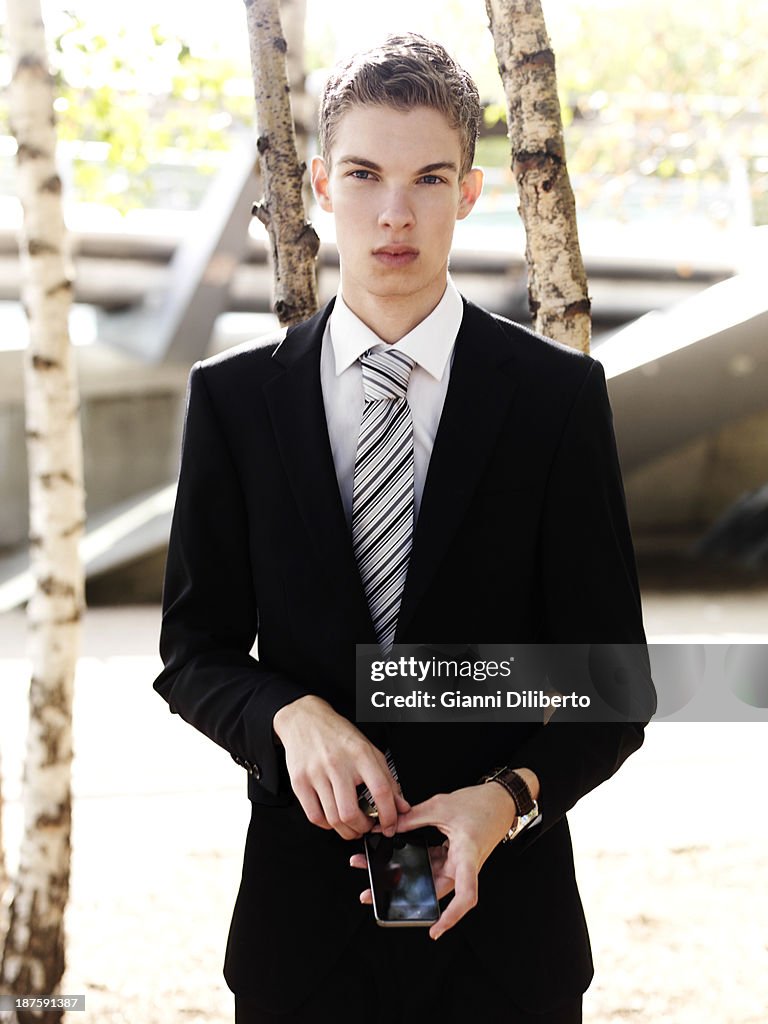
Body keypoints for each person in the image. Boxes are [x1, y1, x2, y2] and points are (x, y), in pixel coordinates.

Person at [154, 33, 654, 1024]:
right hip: (302, 934)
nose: (395, 212)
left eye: (429, 178)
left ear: (470, 192)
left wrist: (503, 796)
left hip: (505, 933)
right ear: (317, 183)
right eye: (365, 174)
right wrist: (287, 714)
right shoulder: (235, 402)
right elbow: (195, 653)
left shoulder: (556, 401)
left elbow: (613, 681)